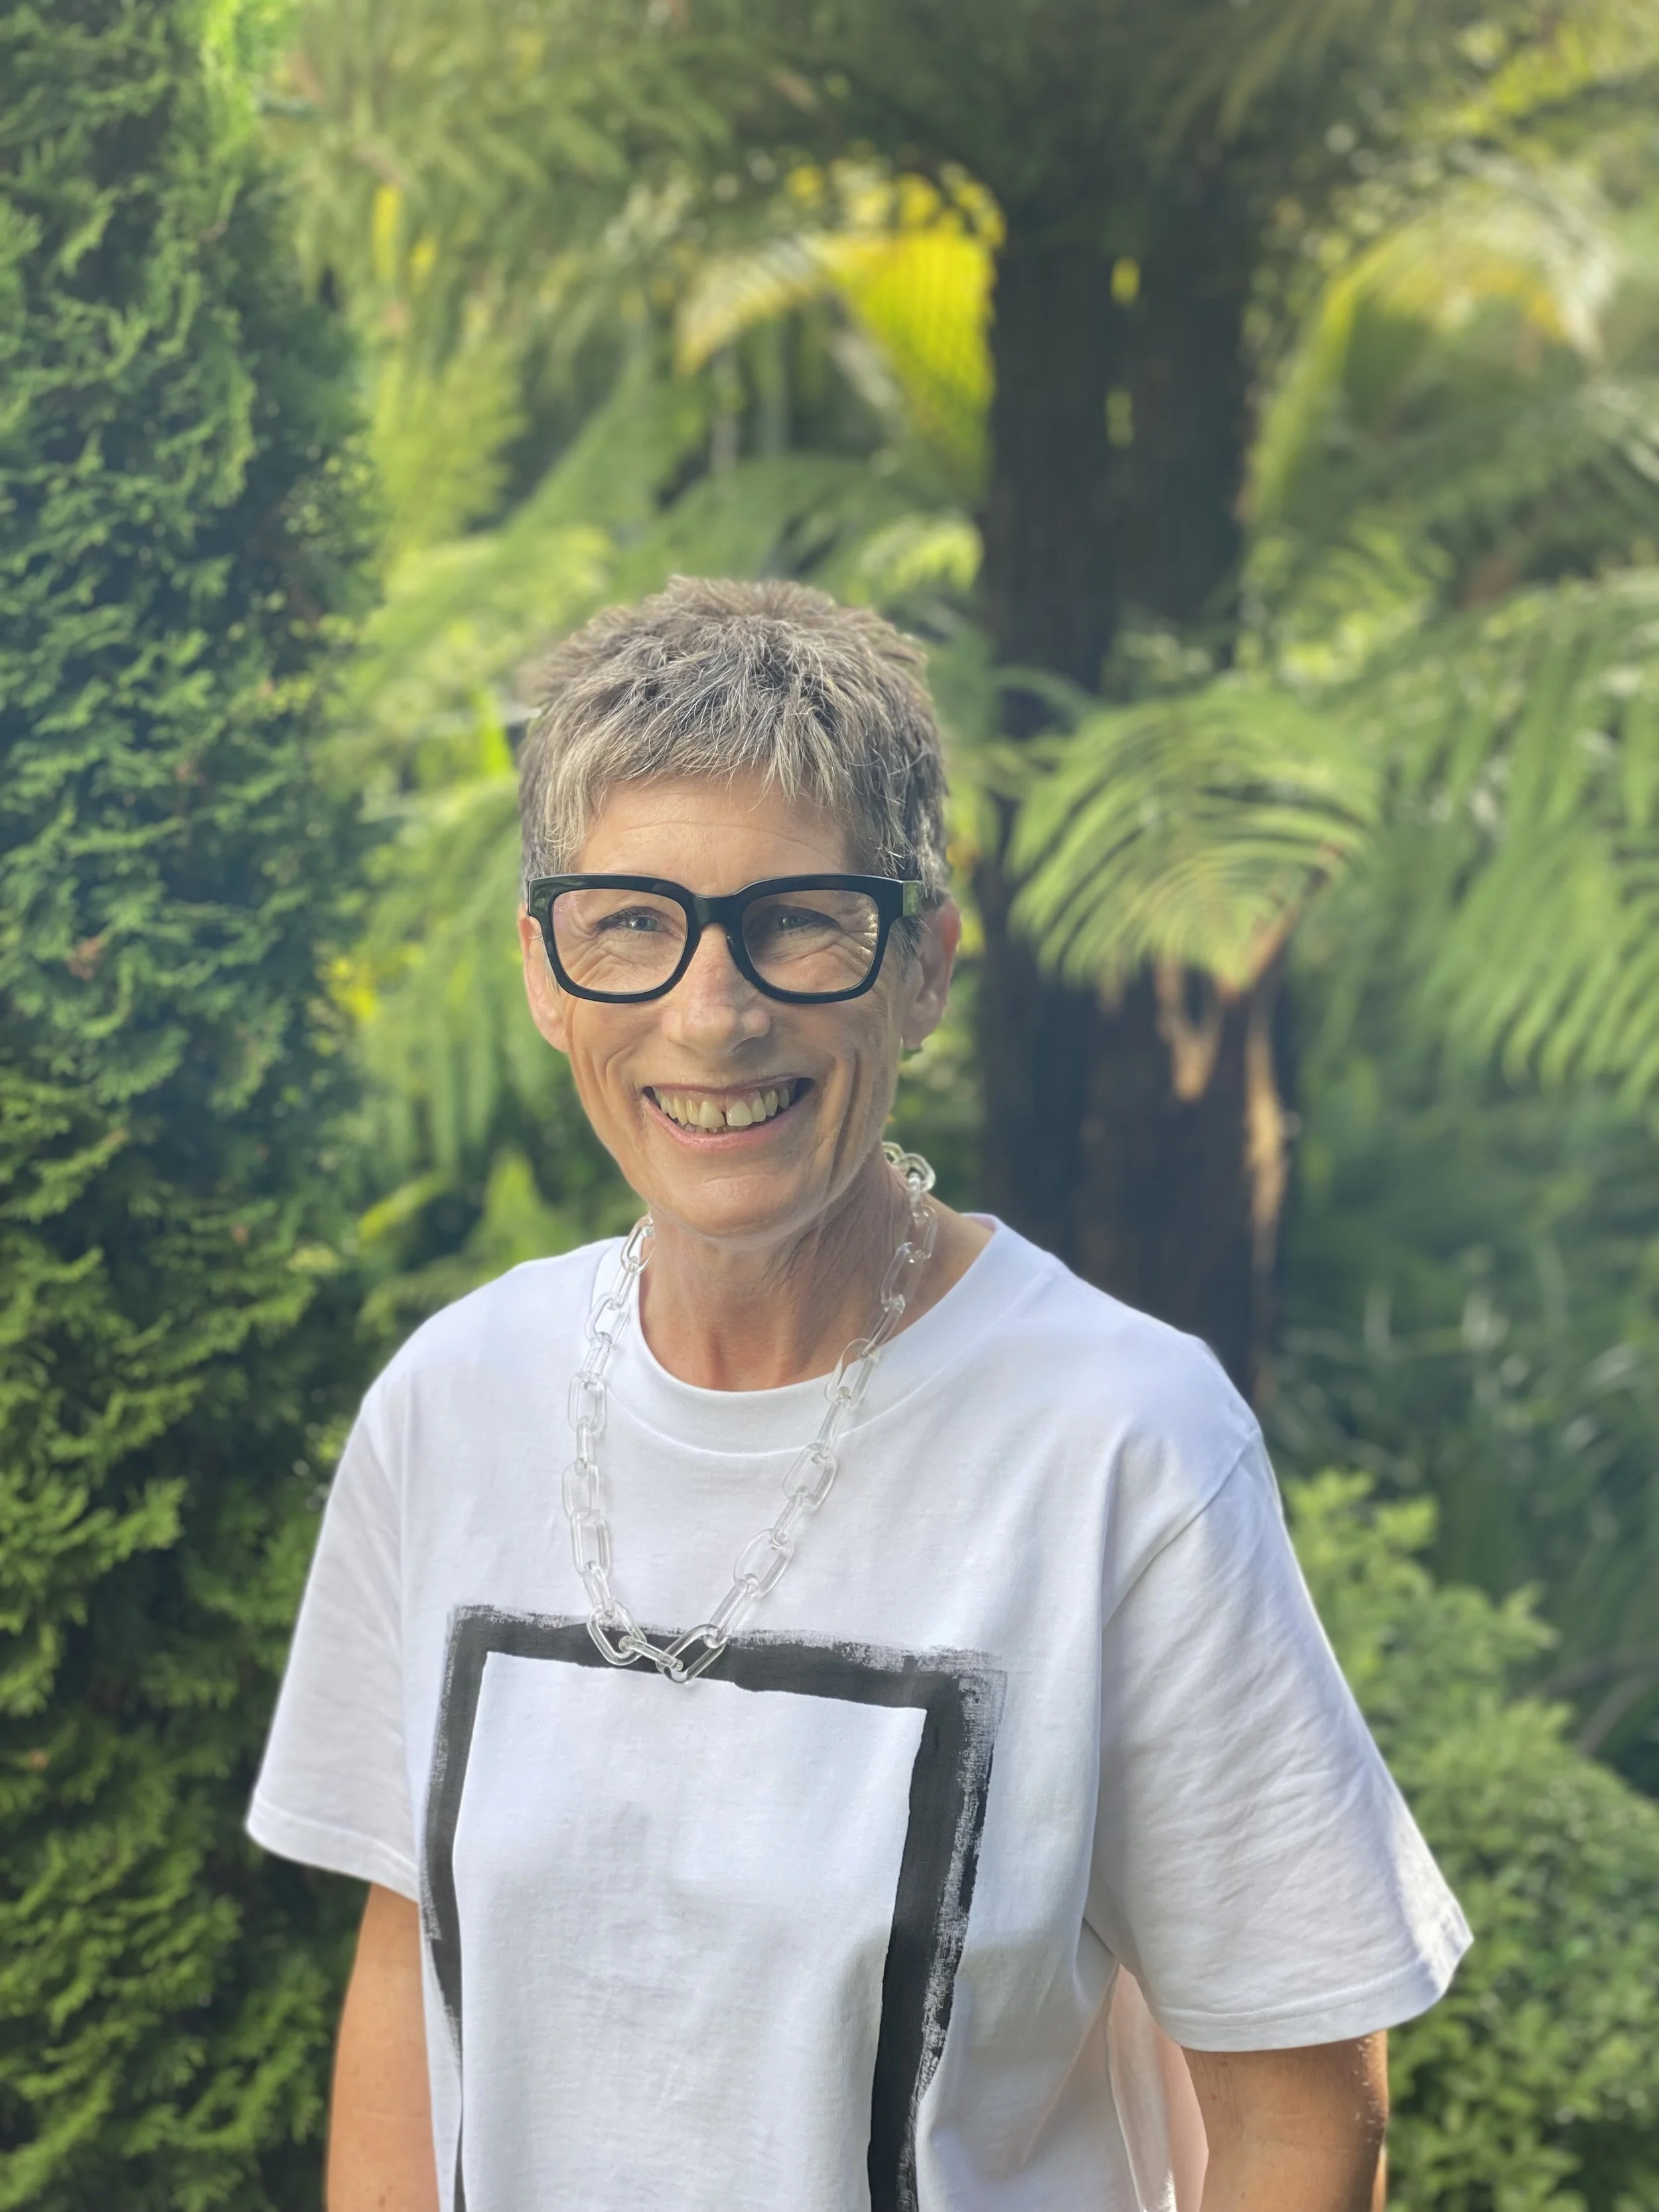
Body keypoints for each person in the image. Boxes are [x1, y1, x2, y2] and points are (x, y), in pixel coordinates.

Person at [250, 577, 1470, 2212]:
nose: (712, 1011)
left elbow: (1301, 2112)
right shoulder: (451, 1406)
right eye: (630, 920)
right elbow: (410, 1969)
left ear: (924, 965)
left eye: (797, 919)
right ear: (546, 971)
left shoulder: (1121, 1445)